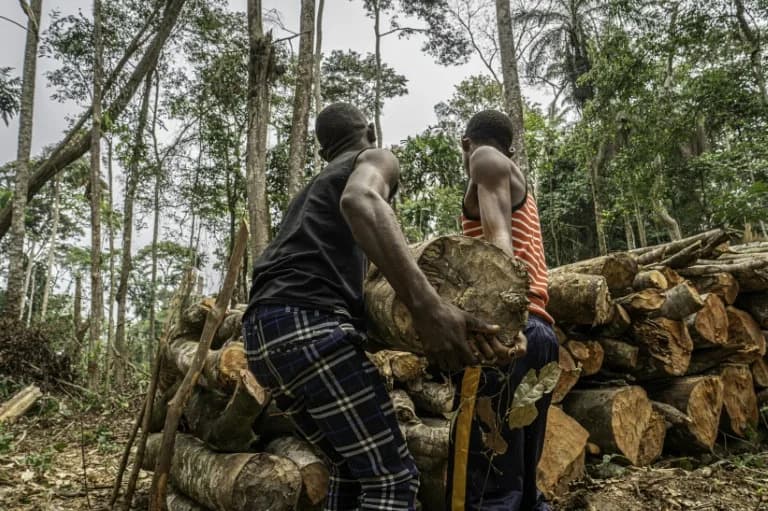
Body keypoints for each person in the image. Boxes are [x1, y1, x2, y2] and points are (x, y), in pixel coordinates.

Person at [243, 102, 502, 511]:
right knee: (392, 481)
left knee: (350, 467)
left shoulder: (315, 190)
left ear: (323, 149)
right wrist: (428, 307)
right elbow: (362, 200)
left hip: (262, 335)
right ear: (369, 130)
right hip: (308, 323)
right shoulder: (374, 157)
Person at [446, 110, 559, 511]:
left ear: (466, 143)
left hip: (510, 334)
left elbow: (498, 245)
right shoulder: (514, 176)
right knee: (522, 483)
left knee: (488, 484)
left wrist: (504, 326)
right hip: (542, 335)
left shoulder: (484, 160)